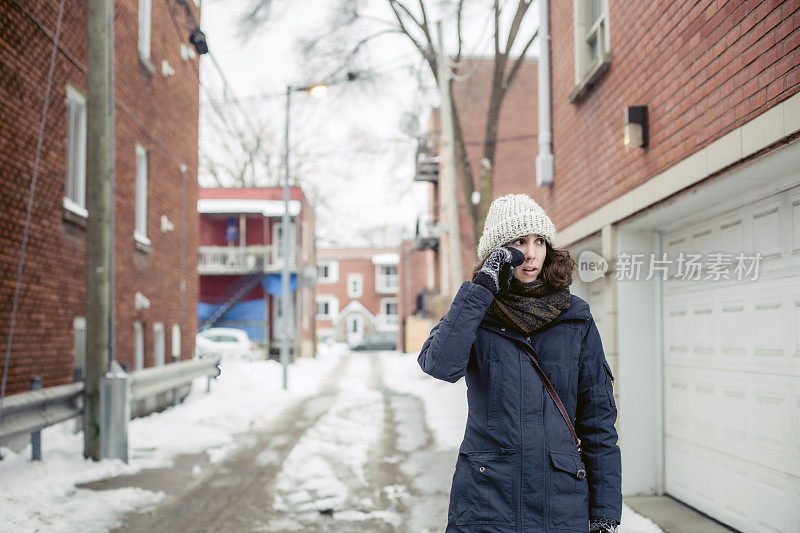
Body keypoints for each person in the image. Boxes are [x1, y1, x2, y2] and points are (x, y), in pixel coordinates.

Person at [418, 194, 622, 532]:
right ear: (499, 252)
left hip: (560, 503)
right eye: (518, 242)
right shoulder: (476, 314)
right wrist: (482, 288)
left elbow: (598, 420)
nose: (531, 253)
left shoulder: (576, 317)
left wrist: (604, 510)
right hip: (488, 500)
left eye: (539, 241)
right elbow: (439, 364)